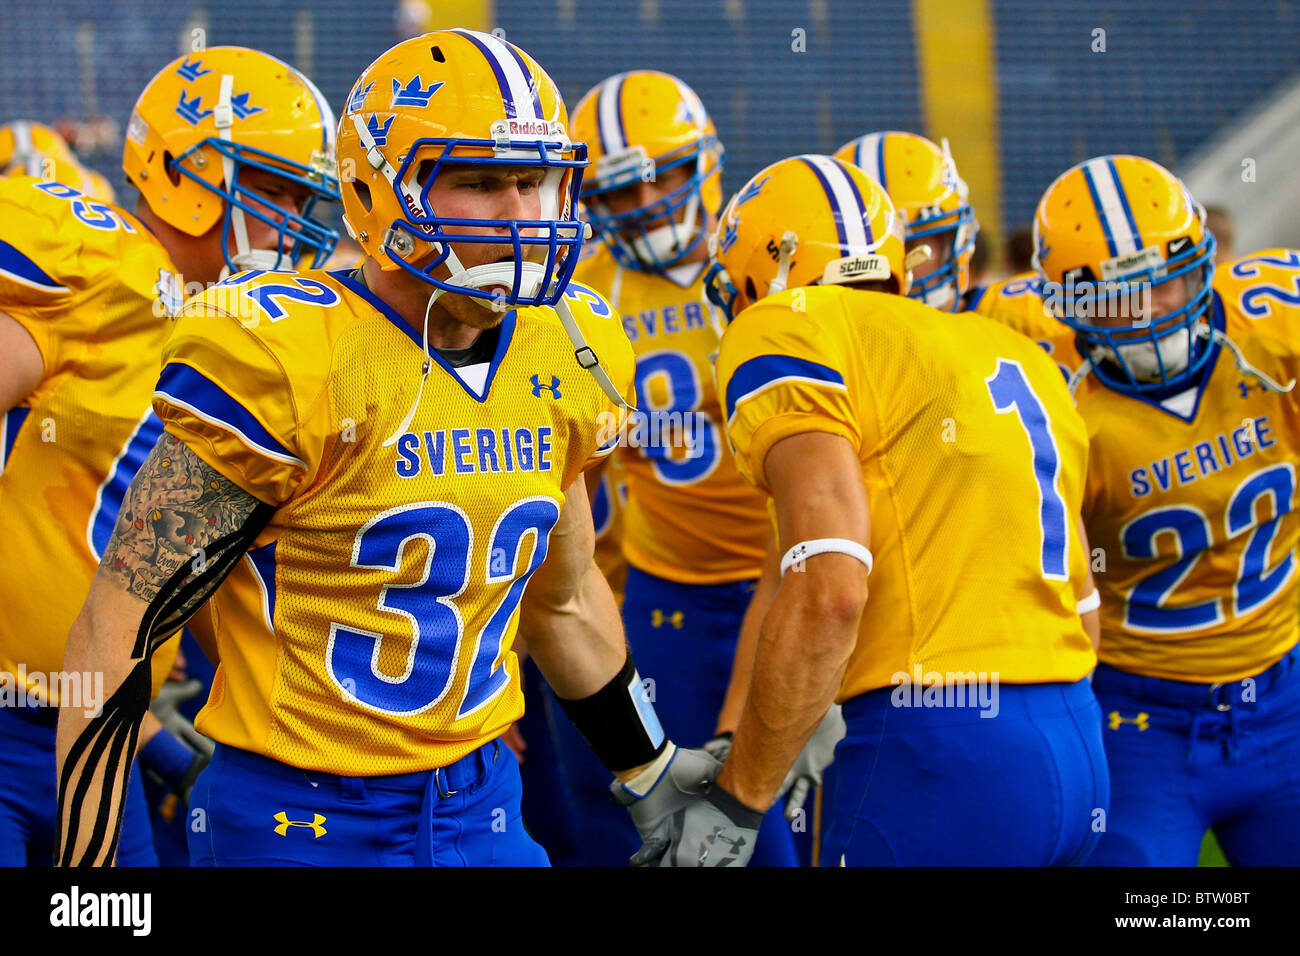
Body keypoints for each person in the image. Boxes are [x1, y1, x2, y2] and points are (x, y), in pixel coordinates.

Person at [55, 28, 715, 868]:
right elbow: (120, 626)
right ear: (378, 192)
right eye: (481, 183)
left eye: (535, 181)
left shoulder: (569, 343)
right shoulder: (290, 354)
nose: (522, 214)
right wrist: (88, 875)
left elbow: (567, 596)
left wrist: (648, 763)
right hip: (300, 819)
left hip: (482, 806)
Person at [625, 154, 1107, 866]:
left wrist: (739, 798)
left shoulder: (789, 327)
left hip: (936, 755)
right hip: (1075, 737)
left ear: (768, 269)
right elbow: (1085, 608)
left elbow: (831, 590)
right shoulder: (1011, 350)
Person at [0, 45, 340, 867]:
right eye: (274, 188)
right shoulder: (109, 266)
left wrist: (159, 732)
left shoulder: (235, 329)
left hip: (102, 726)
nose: (295, 219)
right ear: (187, 177)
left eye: (305, 196)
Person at [541, 69, 793, 866]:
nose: (648, 203)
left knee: (795, 827)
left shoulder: (775, 261)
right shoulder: (581, 297)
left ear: (706, 163)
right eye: (619, 193)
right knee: (677, 829)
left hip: (794, 578)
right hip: (670, 596)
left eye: (666, 178)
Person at [1034, 154, 1300, 865]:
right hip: (1139, 720)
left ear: (1203, 262)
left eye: (1166, 279)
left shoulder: (1275, 337)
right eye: (1120, 297)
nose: (1150, 310)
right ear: (1071, 306)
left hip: (1286, 693)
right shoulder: (1055, 401)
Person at [833, 130, 978, 313]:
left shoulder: (1001, 326)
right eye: (880, 256)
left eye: (911, 247)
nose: (897, 273)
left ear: (952, 241)